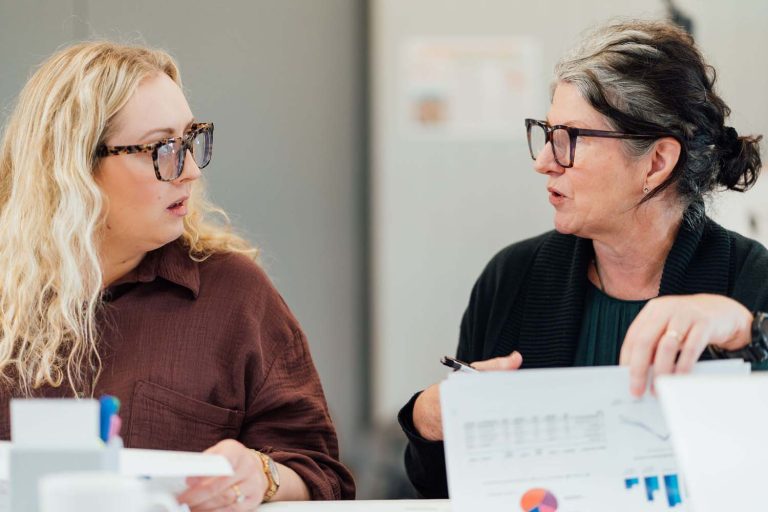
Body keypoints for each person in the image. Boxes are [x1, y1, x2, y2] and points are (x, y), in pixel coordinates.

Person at [398, 20, 768, 498]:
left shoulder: (749, 281)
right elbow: (447, 487)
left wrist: (749, 334)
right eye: (547, 133)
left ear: (656, 162)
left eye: (571, 137)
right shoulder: (513, 277)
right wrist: (426, 420)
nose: (544, 161)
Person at [0, 42, 355, 509]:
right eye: (162, 148)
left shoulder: (233, 295)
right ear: (73, 167)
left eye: (189, 141)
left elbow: (324, 476)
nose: (189, 171)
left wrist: (262, 476)